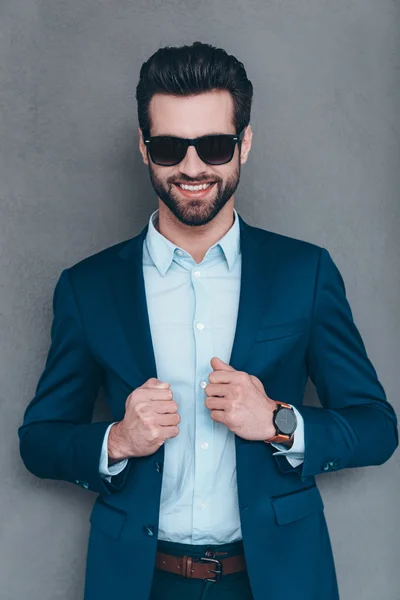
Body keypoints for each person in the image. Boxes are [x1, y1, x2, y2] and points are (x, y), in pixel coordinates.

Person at [18, 41, 398, 600]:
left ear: (245, 144)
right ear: (143, 149)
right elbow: (40, 441)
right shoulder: (87, 287)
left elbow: (377, 427)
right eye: (170, 147)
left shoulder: (305, 273)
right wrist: (117, 440)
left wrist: (278, 421)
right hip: (139, 580)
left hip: (278, 578)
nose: (192, 167)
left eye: (215, 145)